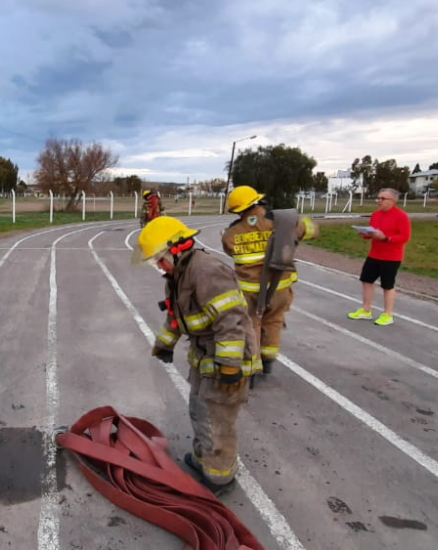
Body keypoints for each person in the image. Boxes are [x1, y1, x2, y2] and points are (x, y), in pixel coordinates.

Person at [135, 216, 256, 495]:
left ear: (176, 249)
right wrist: (164, 344)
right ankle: (204, 457)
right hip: (205, 356)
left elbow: (231, 321)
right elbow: (176, 318)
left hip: (228, 357)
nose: (159, 267)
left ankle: (219, 477)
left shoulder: (206, 272)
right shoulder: (177, 276)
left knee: (216, 417)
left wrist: (229, 366)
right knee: (200, 409)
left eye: (158, 260)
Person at [221, 186, 317, 375]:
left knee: (251, 324)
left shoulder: (231, 233)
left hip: (249, 291)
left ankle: (251, 366)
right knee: (273, 320)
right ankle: (268, 359)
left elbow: (229, 250)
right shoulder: (280, 221)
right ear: (258, 201)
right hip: (279, 287)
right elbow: (311, 230)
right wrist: (298, 222)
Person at [347, 187, 411, 326]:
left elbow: (404, 236)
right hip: (374, 254)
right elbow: (372, 232)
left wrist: (386, 238)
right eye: (378, 198)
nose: (379, 201)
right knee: (366, 280)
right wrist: (365, 234)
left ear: (392, 200)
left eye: (382, 198)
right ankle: (366, 309)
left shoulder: (401, 216)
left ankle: (387, 314)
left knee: (387, 285)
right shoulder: (375, 215)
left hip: (391, 257)